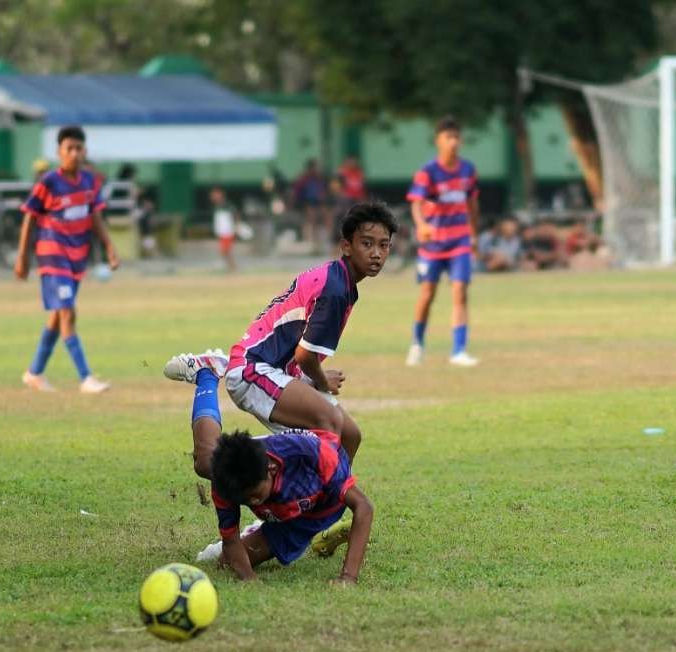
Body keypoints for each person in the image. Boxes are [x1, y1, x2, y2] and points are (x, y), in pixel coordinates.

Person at [164, 202, 398, 463]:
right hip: (252, 369)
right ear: (346, 246)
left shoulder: (339, 280)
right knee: (212, 462)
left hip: (278, 369)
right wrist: (320, 381)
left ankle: (329, 499)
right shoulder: (335, 290)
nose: (376, 253)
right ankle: (207, 375)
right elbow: (305, 355)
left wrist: (309, 380)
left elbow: (293, 347)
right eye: (367, 244)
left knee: (349, 436)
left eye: (384, 245)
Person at [166, 365, 374, 583]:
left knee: (349, 433)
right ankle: (207, 373)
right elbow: (231, 541)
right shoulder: (228, 485)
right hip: (281, 500)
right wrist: (249, 579)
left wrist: (348, 578)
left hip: (318, 510)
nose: (252, 502)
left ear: (271, 469)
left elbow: (364, 507)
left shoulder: (317, 459)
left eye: (255, 495)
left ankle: (306, 381)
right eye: (245, 500)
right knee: (205, 464)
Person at [14, 125, 119, 394]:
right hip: (53, 255)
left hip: (76, 257)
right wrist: (22, 257)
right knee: (68, 313)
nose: (74, 153)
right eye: (68, 148)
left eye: (78, 148)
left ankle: (34, 372)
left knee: (57, 316)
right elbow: (29, 217)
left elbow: (95, 216)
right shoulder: (49, 182)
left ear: (85, 151)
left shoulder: (89, 182)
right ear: (59, 152)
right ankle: (86, 378)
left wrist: (109, 247)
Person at [406, 116, 481, 368]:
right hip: (434, 244)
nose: (454, 142)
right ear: (439, 141)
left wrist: (474, 234)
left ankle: (459, 350)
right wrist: (422, 225)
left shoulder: (467, 170)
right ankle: (417, 343)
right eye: (449, 137)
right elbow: (416, 203)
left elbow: (472, 205)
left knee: (460, 292)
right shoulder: (428, 172)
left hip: (459, 241)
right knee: (428, 294)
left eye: (457, 137)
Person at [291, 159, 329, 251]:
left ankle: (325, 239)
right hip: (307, 202)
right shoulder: (303, 179)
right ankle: (310, 240)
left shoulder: (319, 179)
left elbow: (323, 191)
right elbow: (297, 192)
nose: (317, 169)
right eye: (316, 167)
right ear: (311, 168)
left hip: (318, 202)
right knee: (311, 218)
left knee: (326, 215)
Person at [210, 186, 238, 273]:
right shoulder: (217, 206)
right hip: (222, 232)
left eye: (215, 194)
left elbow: (235, 215)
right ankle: (231, 268)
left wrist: (236, 226)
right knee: (225, 251)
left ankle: (232, 268)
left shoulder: (226, 205)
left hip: (228, 231)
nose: (213, 196)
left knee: (225, 251)